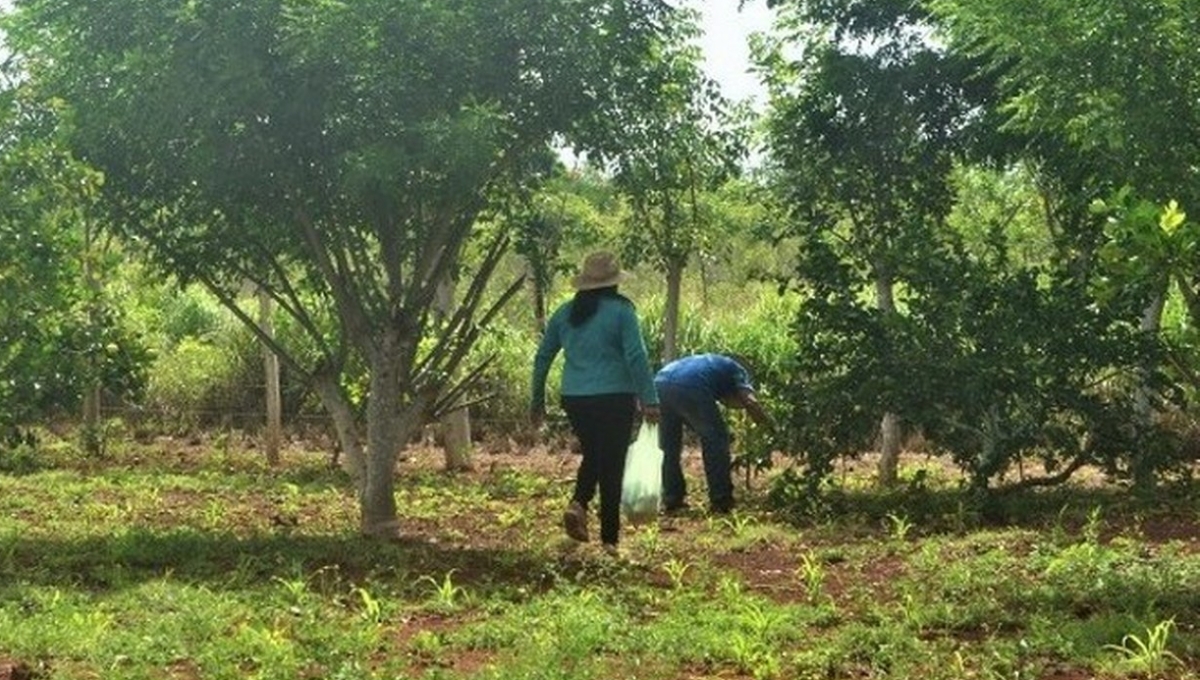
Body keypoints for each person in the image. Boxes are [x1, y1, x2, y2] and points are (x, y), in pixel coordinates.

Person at [531, 251, 659, 555]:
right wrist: (650, 398)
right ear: (614, 283)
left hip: (575, 397)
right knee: (611, 463)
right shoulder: (622, 311)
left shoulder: (566, 313)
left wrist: (536, 399)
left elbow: (543, 357)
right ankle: (610, 540)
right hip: (614, 396)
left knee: (596, 454)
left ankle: (579, 503)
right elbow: (636, 356)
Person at [655, 353, 771, 514]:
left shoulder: (711, 364)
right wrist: (768, 427)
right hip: (690, 386)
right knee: (716, 439)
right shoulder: (738, 370)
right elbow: (750, 401)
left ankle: (672, 498)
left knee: (669, 445)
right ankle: (721, 499)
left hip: (660, 382)